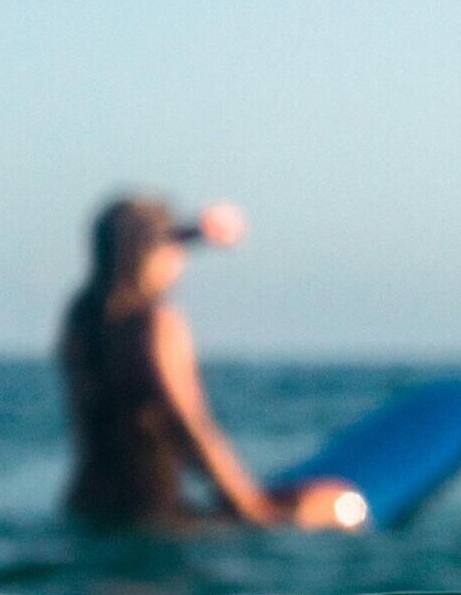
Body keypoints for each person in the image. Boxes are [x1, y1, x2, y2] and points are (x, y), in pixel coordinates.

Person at [58, 193, 362, 532]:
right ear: (150, 254)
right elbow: (188, 423)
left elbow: (130, 242)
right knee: (340, 503)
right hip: (155, 514)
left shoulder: (82, 318)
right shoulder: (157, 324)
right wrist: (250, 506)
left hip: (86, 506)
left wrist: (198, 232)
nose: (179, 260)